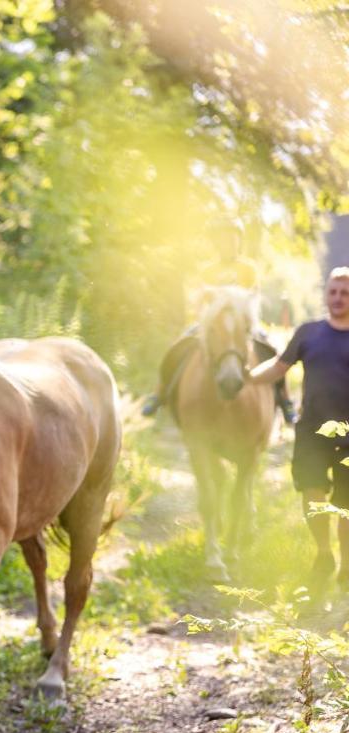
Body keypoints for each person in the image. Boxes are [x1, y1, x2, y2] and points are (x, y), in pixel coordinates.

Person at [246, 268, 349, 578]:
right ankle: (323, 553)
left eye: (344, 293)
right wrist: (248, 378)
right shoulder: (308, 333)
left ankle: (347, 566)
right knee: (312, 491)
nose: (338, 298)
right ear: (325, 295)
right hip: (312, 431)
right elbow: (279, 367)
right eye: (332, 292)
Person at [143, 217, 295, 423]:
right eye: (223, 240)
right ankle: (159, 393)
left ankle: (285, 401)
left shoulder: (248, 269)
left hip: (242, 323)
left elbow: (251, 297)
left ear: (238, 242)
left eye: (232, 239)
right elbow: (202, 300)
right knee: (177, 346)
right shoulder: (208, 270)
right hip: (211, 323)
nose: (228, 244)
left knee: (272, 349)